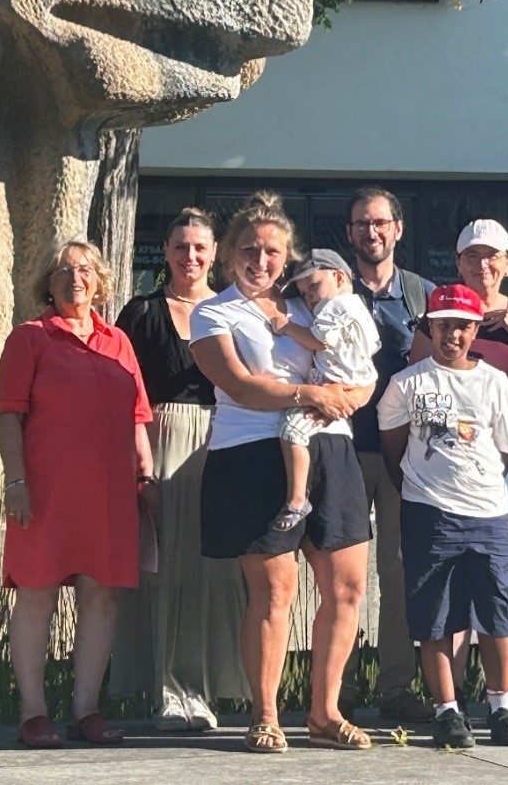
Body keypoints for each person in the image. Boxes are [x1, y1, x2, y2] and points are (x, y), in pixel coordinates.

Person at [190, 191, 374, 753]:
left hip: (332, 449)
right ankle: (266, 714)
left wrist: (352, 396)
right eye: (250, 249)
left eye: (272, 251)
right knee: (275, 590)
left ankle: (324, 713)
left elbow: (361, 371)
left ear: (287, 256)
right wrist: (311, 394)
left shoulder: (313, 305)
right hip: (251, 454)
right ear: (229, 254)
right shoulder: (213, 312)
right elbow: (241, 385)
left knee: (346, 587)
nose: (261, 260)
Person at [0, 240, 154, 748]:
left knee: (101, 597)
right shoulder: (29, 338)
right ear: (48, 282)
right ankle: (33, 713)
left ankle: (86, 710)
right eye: (63, 270)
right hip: (44, 491)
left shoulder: (119, 341)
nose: (75, 278)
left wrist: (146, 477)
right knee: (36, 594)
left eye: (85, 269)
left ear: (100, 280)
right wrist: (16, 481)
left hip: (109, 493)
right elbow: (8, 415)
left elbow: (137, 417)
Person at [110, 208, 248, 731]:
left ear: (215, 254)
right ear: (166, 251)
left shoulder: (236, 309)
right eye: (180, 246)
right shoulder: (142, 313)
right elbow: (124, 392)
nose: (190, 256)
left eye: (200, 247)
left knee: (216, 571)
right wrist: (138, 467)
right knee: (166, 571)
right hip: (161, 441)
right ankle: (169, 690)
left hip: (224, 440)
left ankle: (207, 688)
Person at [378, 284, 508, 749]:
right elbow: (393, 448)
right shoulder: (408, 383)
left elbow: (505, 450)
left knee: (495, 613)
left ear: (475, 329)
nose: (453, 335)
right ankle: (446, 710)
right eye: (443, 325)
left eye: (463, 326)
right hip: (429, 513)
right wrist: (425, 489)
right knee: (435, 615)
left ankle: (502, 708)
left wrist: (476, 487)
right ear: (430, 327)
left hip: (488, 513)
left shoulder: (494, 382)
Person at [410, 218, 508, 687]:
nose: (482, 265)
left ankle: (501, 694)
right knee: (450, 578)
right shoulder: (439, 311)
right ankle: (451, 698)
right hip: (449, 457)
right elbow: (414, 381)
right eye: (472, 256)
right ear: (458, 263)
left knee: (505, 577)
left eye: (492, 256)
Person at [342, 185, 436, 723]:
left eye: (379, 222)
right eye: (361, 223)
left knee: (400, 575)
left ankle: (397, 688)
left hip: (407, 457)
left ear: (398, 229)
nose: (371, 231)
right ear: (350, 232)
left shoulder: (423, 296)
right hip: (344, 452)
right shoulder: (330, 288)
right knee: (342, 576)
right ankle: (338, 689)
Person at [270, 249, 380, 532]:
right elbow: (373, 347)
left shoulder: (336, 306)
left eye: (313, 286)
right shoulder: (359, 306)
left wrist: (286, 327)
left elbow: (319, 340)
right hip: (354, 381)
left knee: (291, 431)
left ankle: (297, 498)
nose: (309, 297)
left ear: (339, 277)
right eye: (304, 293)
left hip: (331, 384)